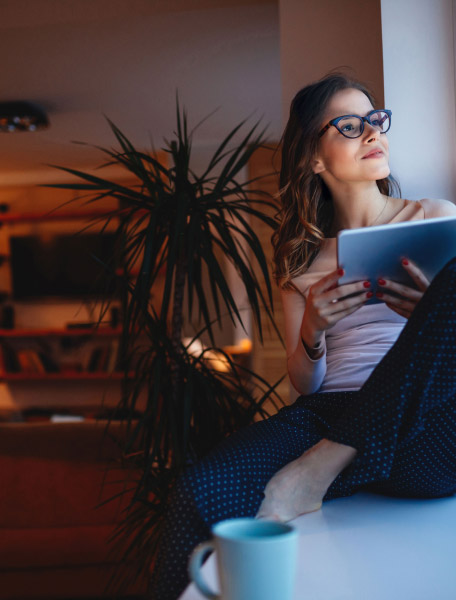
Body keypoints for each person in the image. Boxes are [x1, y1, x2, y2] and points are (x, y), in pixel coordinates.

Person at [149, 73, 456, 599]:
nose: (372, 134)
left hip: (423, 429)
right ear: (315, 157)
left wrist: (433, 314)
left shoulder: (436, 216)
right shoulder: (301, 259)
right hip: (328, 413)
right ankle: (335, 452)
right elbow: (304, 386)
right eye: (350, 126)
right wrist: (313, 330)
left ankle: (330, 460)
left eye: (375, 121)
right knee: (201, 491)